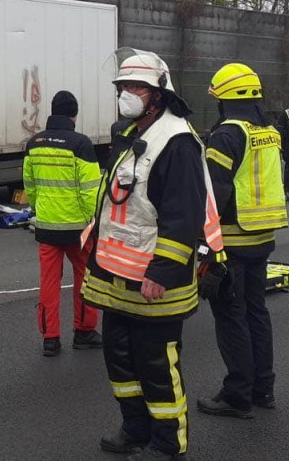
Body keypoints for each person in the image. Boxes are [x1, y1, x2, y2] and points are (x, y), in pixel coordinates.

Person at [82, 50, 212, 461]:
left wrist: (163, 271)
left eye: (136, 87)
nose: (127, 95)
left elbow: (184, 216)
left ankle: (167, 444)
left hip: (155, 283)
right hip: (116, 278)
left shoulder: (177, 142)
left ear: (159, 93)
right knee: (120, 362)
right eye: (123, 88)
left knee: (157, 366)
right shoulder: (132, 133)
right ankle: (134, 429)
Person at [198, 63, 289, 421]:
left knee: (230, 318)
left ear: (225, 98)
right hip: (262, 236)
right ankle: (262, 389)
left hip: (232, 241)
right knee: (256, 313)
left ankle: (237, 394)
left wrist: (205, 244)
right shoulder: (267, 130)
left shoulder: (226, 135)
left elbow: (213, 193)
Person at [23, 90, 103, 357]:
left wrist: (39, 210)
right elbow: (90, 190)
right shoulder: (81, 144)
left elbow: (30, 186)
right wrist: (96, 222)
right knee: (85, 279)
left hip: (47, 227)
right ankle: (83, 332)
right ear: (74, 114)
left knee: (48, 284)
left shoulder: (34, 143)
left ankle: (50, 338)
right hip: (78, 229)